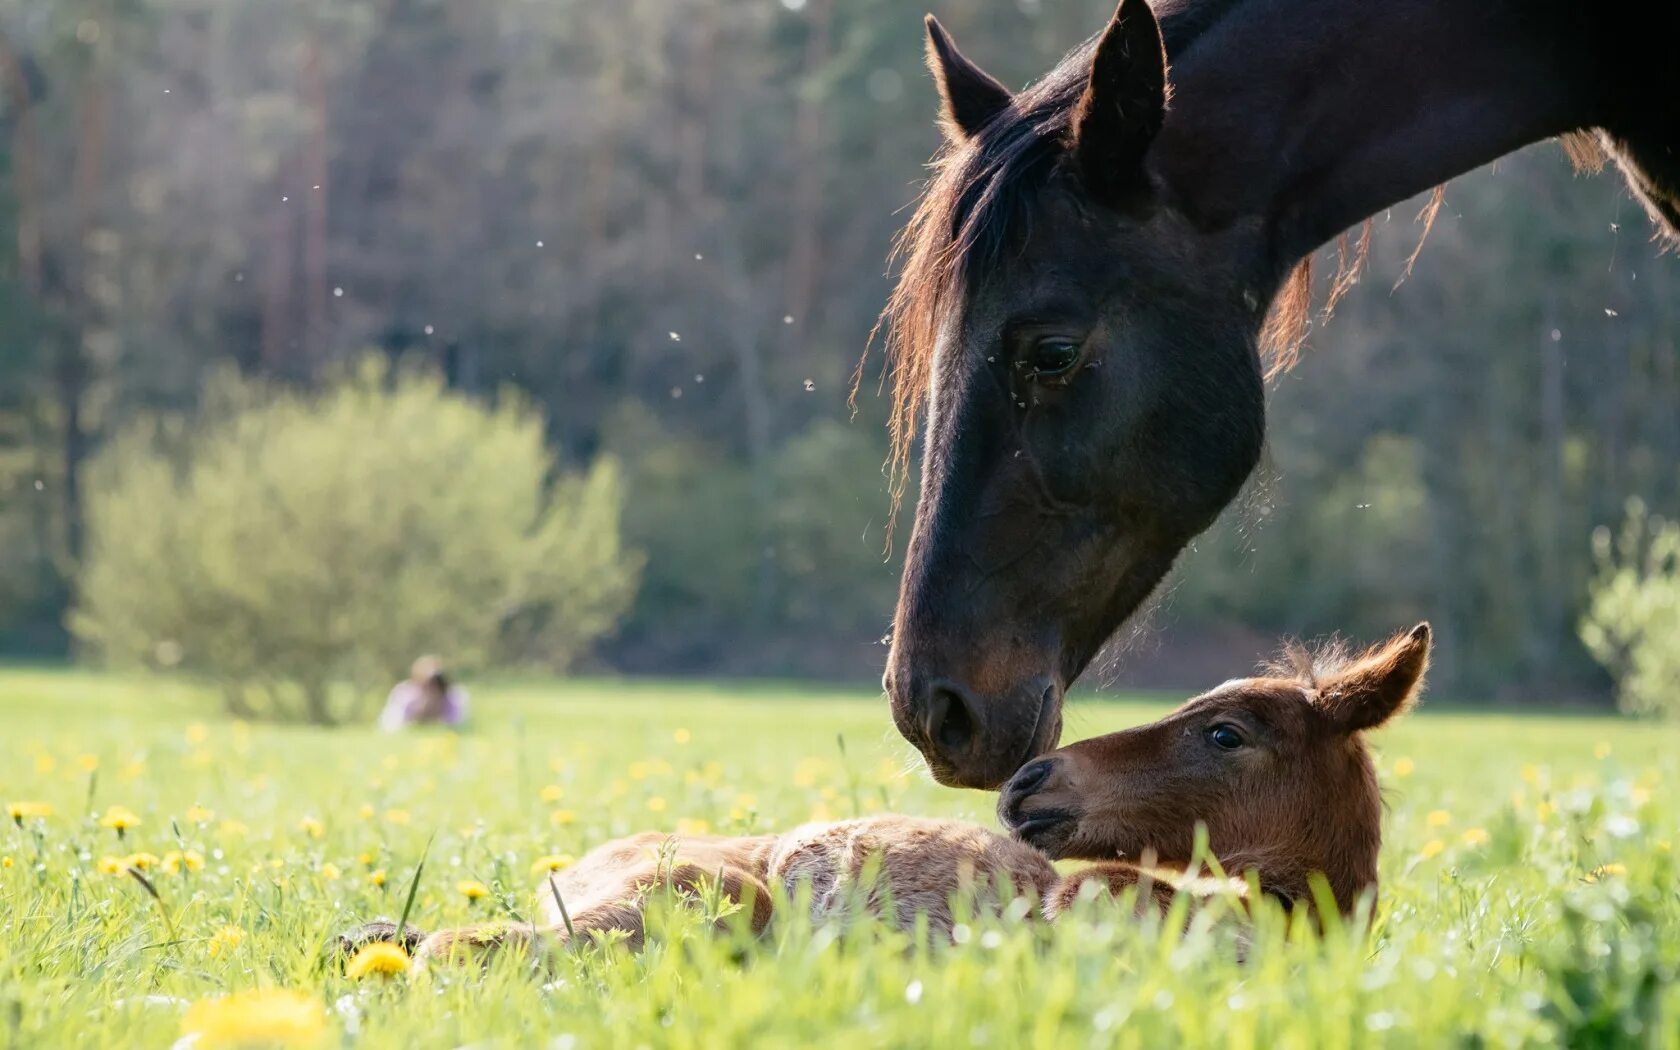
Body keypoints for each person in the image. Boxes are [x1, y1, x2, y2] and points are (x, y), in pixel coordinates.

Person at [378, 656, 468, 731]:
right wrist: (417, 714)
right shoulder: (405, 696)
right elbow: (389, 726)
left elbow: (460, 725)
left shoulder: (451, 697)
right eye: (429, 683)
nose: (434, 688)